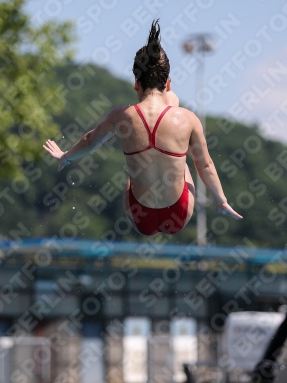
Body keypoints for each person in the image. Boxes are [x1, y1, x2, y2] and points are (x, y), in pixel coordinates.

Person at [43, 19, 242, 236]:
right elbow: (205, 166)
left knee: (138, 166)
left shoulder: (120, 116)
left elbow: (90, 141)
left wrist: (66, 156)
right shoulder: (188, 119)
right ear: (167, 84)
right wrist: (221, 201)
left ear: (136, 83)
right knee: (184, 161)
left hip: (139, 215)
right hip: (179, 213)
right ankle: (166, 108)